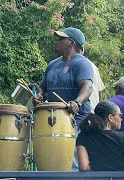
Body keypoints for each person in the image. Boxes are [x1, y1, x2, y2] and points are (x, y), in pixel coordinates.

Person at [33, 27, 93, 170]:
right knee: (51, 159)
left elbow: (87, 87)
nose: (57, 41)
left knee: (71, 161)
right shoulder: (52, 65)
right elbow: (43, 87)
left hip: (76, 119)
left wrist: (77, 102)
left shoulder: (82, 63)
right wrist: (40, 95)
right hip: (53, 119)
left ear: (71, 43)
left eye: (61, 39)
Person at [76, 100, 124, 172]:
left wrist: (100, 168)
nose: (121, 119)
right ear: (110, 117)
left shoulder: (83, 136)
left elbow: (83, 167)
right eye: (120, 115)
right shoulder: (123, 138)